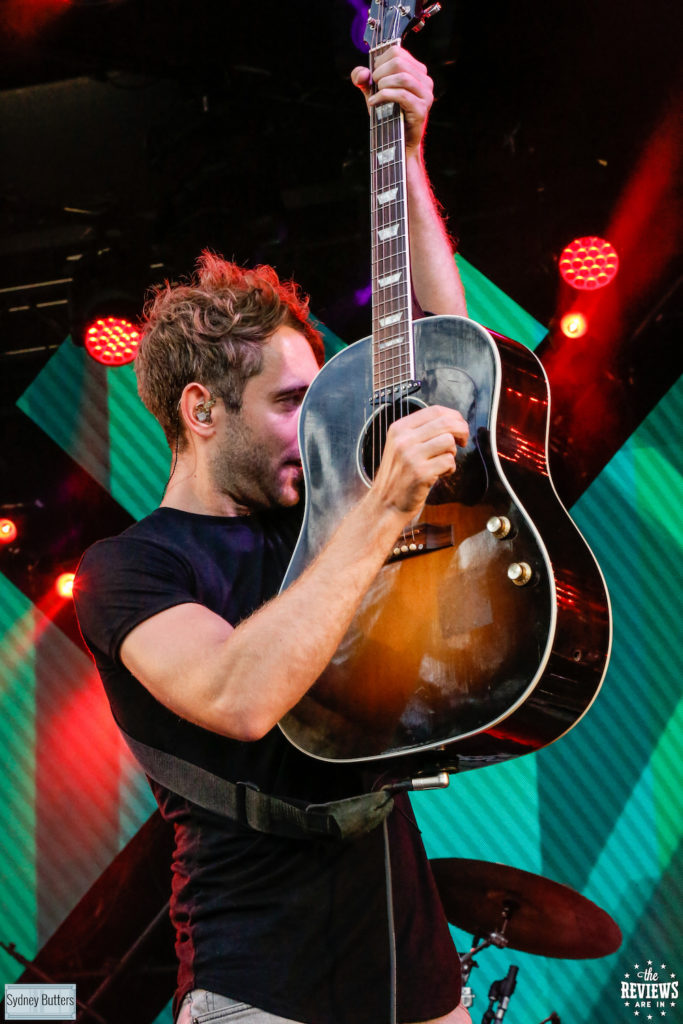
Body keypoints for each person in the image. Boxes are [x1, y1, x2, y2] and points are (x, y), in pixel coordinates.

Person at [74, 46, 472, 1024]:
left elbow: (445, 348)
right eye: (291, 401)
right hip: (259, 990)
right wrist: (379, 508)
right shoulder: (131, 569)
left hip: (418, 984)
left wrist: (406, 158)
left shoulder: (315, 515)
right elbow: (242, 696)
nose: (322, 420)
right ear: (202, 411)